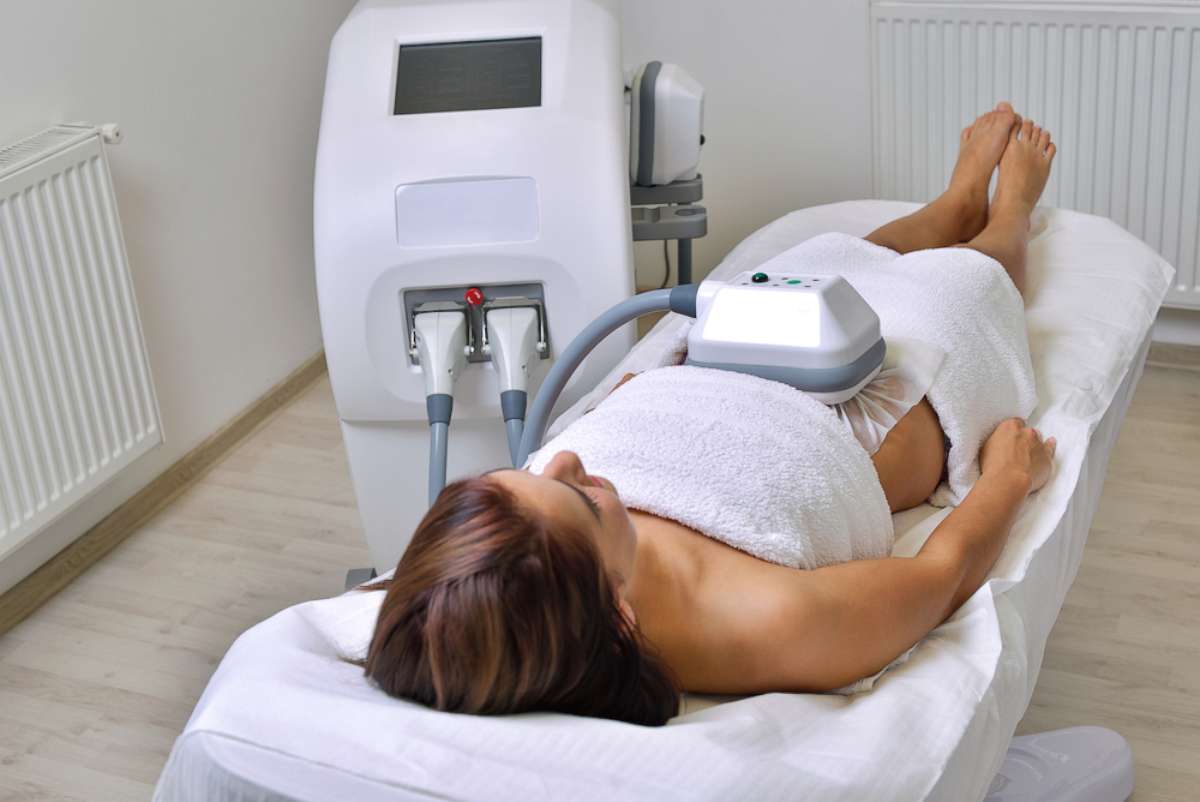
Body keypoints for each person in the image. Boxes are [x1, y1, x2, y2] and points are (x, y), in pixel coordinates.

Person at [364, 103, 1059, 726]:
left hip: (687, 389)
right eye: (578, 498)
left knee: (811, 279)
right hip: (834, 427)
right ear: (619, 616)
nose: (568, 461)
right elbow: (936, 579)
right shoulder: (767, 623)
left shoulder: (493, 590)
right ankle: (1005, 218)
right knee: (958, 298)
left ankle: (954, 202)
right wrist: (1005, 479)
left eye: (531, 475)